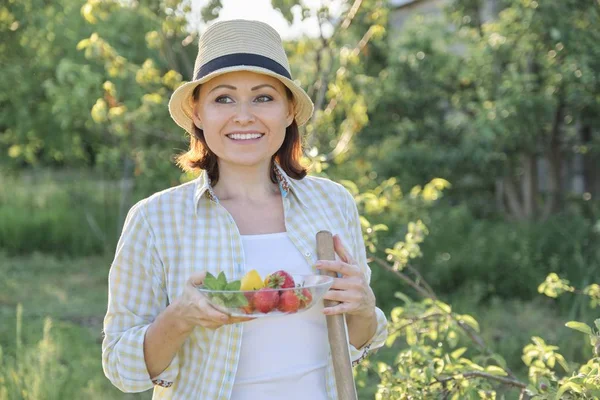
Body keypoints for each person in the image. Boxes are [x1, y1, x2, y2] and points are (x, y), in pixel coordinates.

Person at [101, 19, 388, 400]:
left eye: (263, 97)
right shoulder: (156, 220)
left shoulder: (333, 203)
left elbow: (358, 340)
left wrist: (365, 307)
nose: (244, 115)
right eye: (223, 98)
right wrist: (179, 317)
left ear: (289, 112)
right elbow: (122, 368)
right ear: (197, 114)